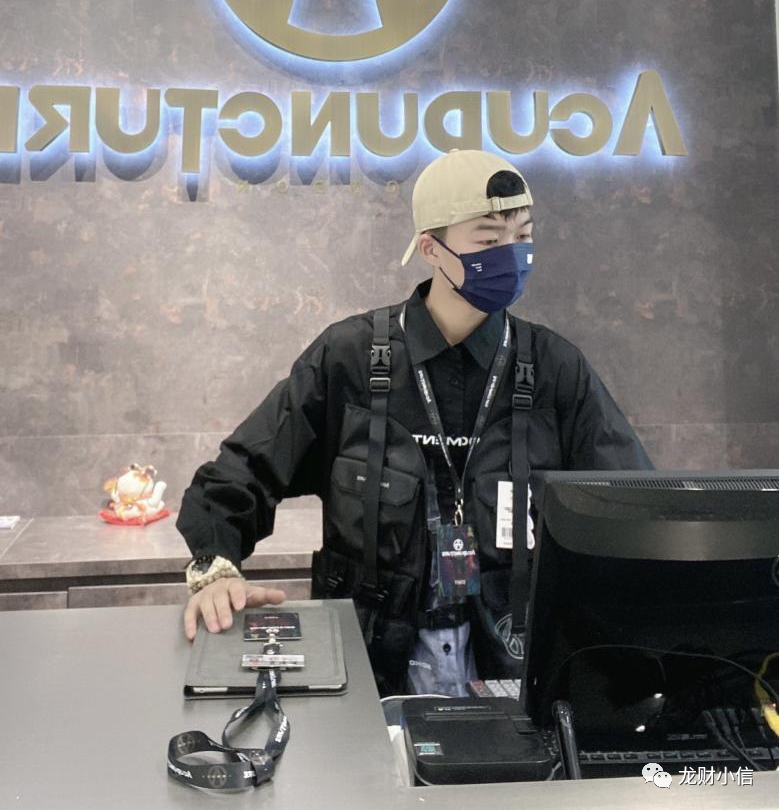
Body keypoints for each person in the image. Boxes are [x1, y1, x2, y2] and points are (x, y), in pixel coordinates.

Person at [177, 149, 653, 695]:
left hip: (514, 676)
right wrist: (215, 569)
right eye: (489, 240)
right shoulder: (350, 357)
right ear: (431, 248)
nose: (513, 254)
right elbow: (241, 471)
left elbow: (631, 502)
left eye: (523, 235)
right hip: (368, 675)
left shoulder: (554, 369)